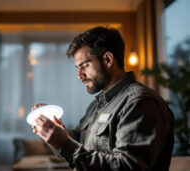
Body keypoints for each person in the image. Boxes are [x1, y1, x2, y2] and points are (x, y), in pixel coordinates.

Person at [31, 26, 174, 170]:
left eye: (85, 66)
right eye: (78, 68)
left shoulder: (140, 103)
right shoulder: (96, 106)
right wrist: (51, 130)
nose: (79, 75)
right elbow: (77, 143)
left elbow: (127, 167)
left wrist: (64, 144)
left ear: (107, 59)